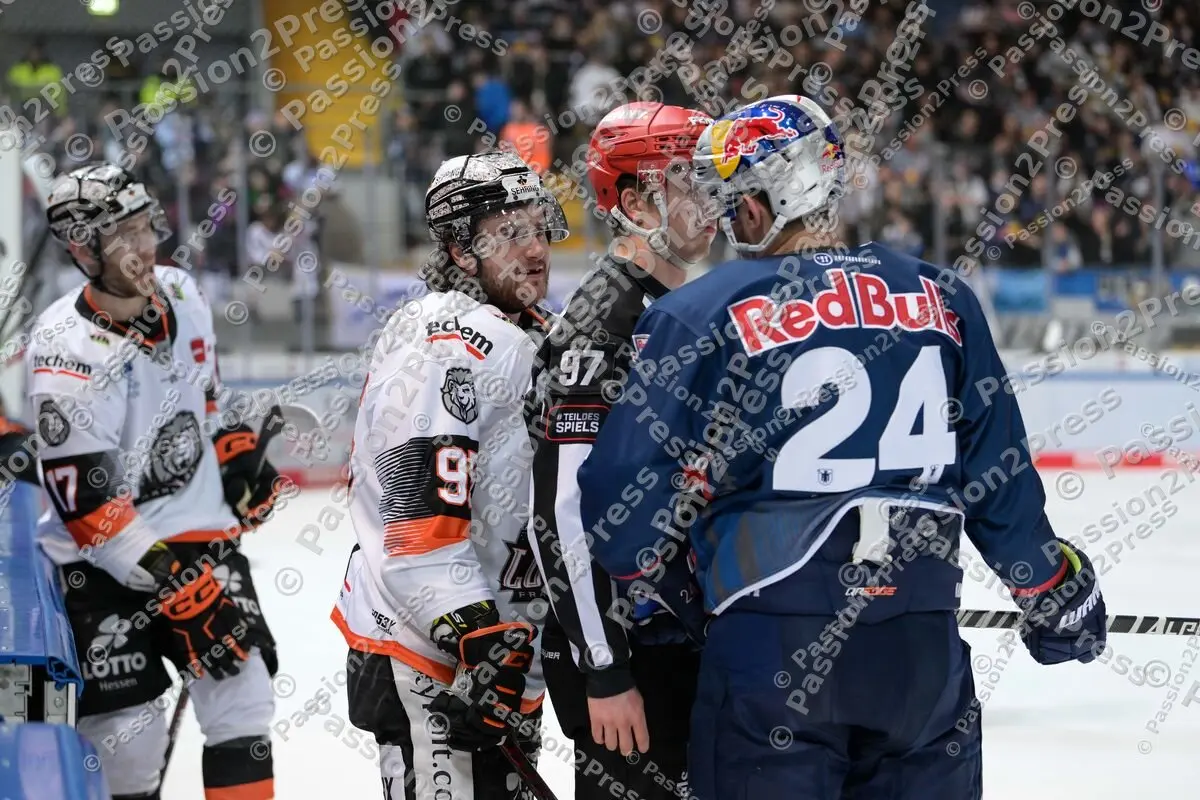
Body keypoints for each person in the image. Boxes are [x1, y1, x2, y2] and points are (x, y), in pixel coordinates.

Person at [578, 95, 1109, 799]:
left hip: (770, 652)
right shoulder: (942, 298)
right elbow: (998, 482)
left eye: (734, 199)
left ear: (764, 202)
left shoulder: (697, 314)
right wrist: (1053, 590)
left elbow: (619, 521)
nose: (728, 217)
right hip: (921, 655)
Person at [28, 163, 283, 800]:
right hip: (96, 562)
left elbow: (209, 404)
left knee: (243, 699)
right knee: (130, 738)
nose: (144, 246)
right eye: (122, 237)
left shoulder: (183, 294)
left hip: (195, 537)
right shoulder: (65, 353)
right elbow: (88, 510)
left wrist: (237, 458)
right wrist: (176, 587)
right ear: (83, 250)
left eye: (144, 226)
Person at [332, 150, 568, 800]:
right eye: (509, 233)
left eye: (539, 228)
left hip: (501, 654)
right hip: (435, 654)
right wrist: (479, 638)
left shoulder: (530, 333)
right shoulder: (443, 342)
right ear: (462, 250)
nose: (535, 248)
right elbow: (414, 527)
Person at [525, 101, 715, 800]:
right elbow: (561, 511)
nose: (711, 199)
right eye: (690, 182)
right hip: (635, 665)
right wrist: (605, 668)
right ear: (634, 200)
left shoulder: (672, 312)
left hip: (686, 649)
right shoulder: (604, 324)